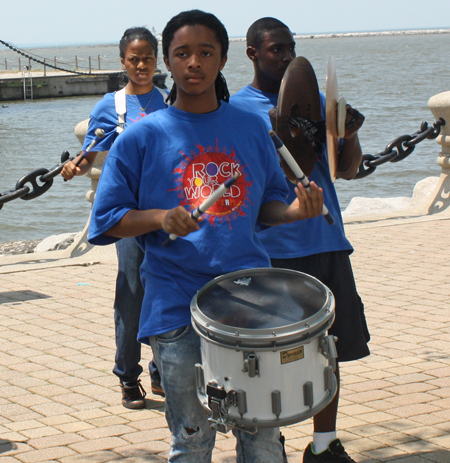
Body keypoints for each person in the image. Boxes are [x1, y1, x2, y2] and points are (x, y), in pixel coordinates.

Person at [88, 9, 325, 463]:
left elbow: (267, 206)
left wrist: (295, 211)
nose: (193, 62)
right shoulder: (141, 138)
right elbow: (107, 220)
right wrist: (160, 219)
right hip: (177, 307)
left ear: (223, 59)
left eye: (205, 52)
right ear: (168, 62)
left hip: (251, 302)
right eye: (182, 53)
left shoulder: (252, 128)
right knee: (193, 440)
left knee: (261, 437)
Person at [230, 17, 370, 463]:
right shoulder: (238, 112)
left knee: (329, 351)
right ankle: (269, 445)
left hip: (328, 242)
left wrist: (347, 131)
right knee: (271, 360)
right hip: (276, 252)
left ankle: (325, 445)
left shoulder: (319, 103)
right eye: (275, 50)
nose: (286, 56)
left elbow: (345, 170)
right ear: (252, 53)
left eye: (290, 48)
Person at [61, 26, 167, 409]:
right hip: (127, 216)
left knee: (167, 289)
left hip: (165, 214)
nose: (141, 65)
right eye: (134, 59)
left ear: (158, 61)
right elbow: (89, 155)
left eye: (148, 58)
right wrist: (75, 167)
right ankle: (127, 375)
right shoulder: (111, 105)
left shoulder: (170, 103)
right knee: (132, 292)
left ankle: (162, 368)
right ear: (123, 62)